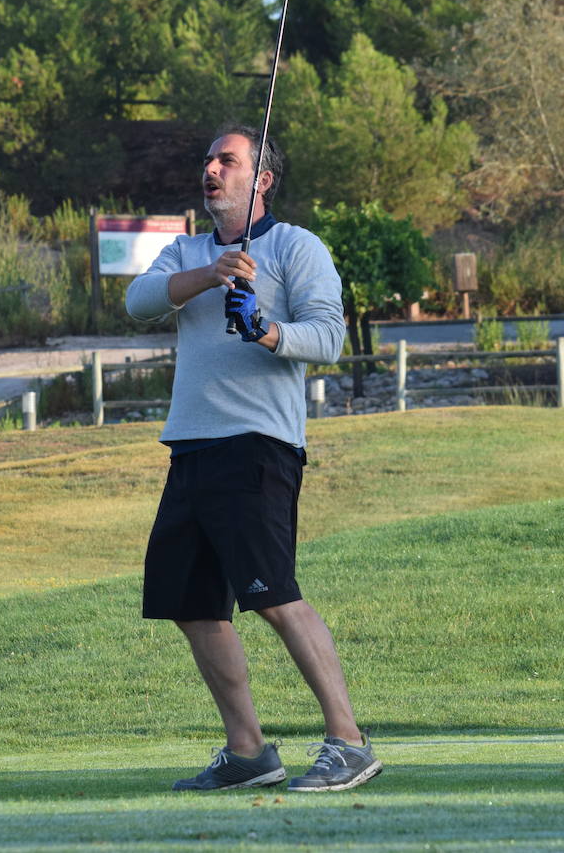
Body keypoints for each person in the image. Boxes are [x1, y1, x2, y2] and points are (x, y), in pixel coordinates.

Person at [125, 126, 381, 792]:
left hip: (258, 448)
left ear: (261, 180)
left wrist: (265, 329)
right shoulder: (184, 251)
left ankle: (349, 741)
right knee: (191, 603)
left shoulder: (297, 248)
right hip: (191, 448)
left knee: (273, 595)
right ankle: (248, 753)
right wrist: (210, 277)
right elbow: (138, 302)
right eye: (208, 160)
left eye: (227, 161)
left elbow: (327, 337)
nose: (210, 169)